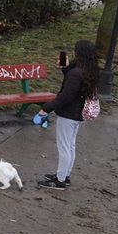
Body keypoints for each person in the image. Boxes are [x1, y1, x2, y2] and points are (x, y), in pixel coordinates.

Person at [34, 40, 99, 190]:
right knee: (70, 146)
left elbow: (66, 96)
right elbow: (75, 86)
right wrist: (66, 68)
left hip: (69, 115)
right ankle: (65, 175)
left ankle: (60, 180)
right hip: (78, 114)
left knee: (64, 147)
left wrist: (46, 108)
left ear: (80, 53)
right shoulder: (89, 70)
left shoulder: (76, 73)